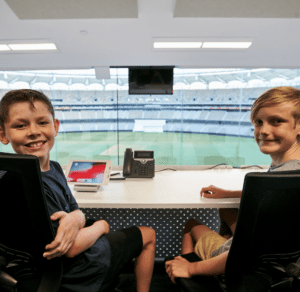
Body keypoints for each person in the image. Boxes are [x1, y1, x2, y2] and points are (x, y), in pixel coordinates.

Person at [0, 89, 156, 292]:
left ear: (55, 127)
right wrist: (101, 225)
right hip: (75, 270)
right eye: (21, 125)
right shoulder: (25, 184)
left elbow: (75, 210)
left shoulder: (54, 167)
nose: (33, 131)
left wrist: (77, 217)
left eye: (42, 122)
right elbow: (70, 248)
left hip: (49, 268)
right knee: (148, 234)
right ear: (3, 134)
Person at [165, 86, 300, 289]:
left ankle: (200, 276)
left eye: (276, 121)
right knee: (226, 207)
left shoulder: (281, 178)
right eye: (258, 122)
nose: (263, 130)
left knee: (192, 225)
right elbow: (270, 199)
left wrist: (192, 269)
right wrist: (227, 194)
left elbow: (242, 253)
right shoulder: (290, 173)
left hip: (241, 260)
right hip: (280, 256)